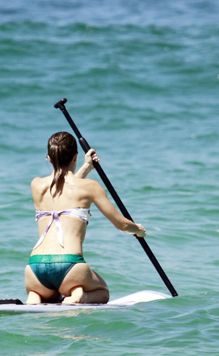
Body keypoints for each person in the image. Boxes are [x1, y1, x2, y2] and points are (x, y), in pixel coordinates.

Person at [25, 131, 146, 305]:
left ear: (49, 158)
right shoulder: (90, 187)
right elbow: (121, 224)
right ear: (75, 156)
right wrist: (138, 230)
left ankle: (35, 297)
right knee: (102, 291)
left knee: (47, 295)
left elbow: (63, 193)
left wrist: (86, 168)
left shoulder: (36, 184)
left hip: (35, 269)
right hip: (70, 267)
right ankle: (78, 296)